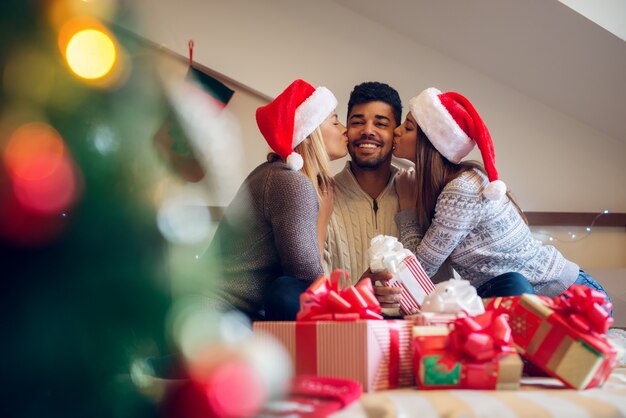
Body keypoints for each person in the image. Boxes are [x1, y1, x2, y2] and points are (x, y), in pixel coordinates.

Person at [393, 87, 612, 308]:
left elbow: (420, 268)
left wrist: (407, 210)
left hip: (570, 298)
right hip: (536, 298)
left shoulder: (461, 189)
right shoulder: (456, 184)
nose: (397, 131)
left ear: (430, 143)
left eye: (408, 127)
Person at [206, 79, 347, 321]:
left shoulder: (271, 172)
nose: (344, 129)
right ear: (311, 133)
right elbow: (307, 280)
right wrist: (321, 221)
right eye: (334, 121)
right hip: (221, 319)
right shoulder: (291, 182)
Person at [324, 81, 452, 312]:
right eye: (357, 122)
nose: (367, 130)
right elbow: (311, 291)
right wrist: (359, 293)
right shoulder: (320, 195)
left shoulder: (424, 193)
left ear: (396, 134)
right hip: (343, 333)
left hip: (413, 333)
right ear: (346, 130)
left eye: (381, 123)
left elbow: (442, 286)